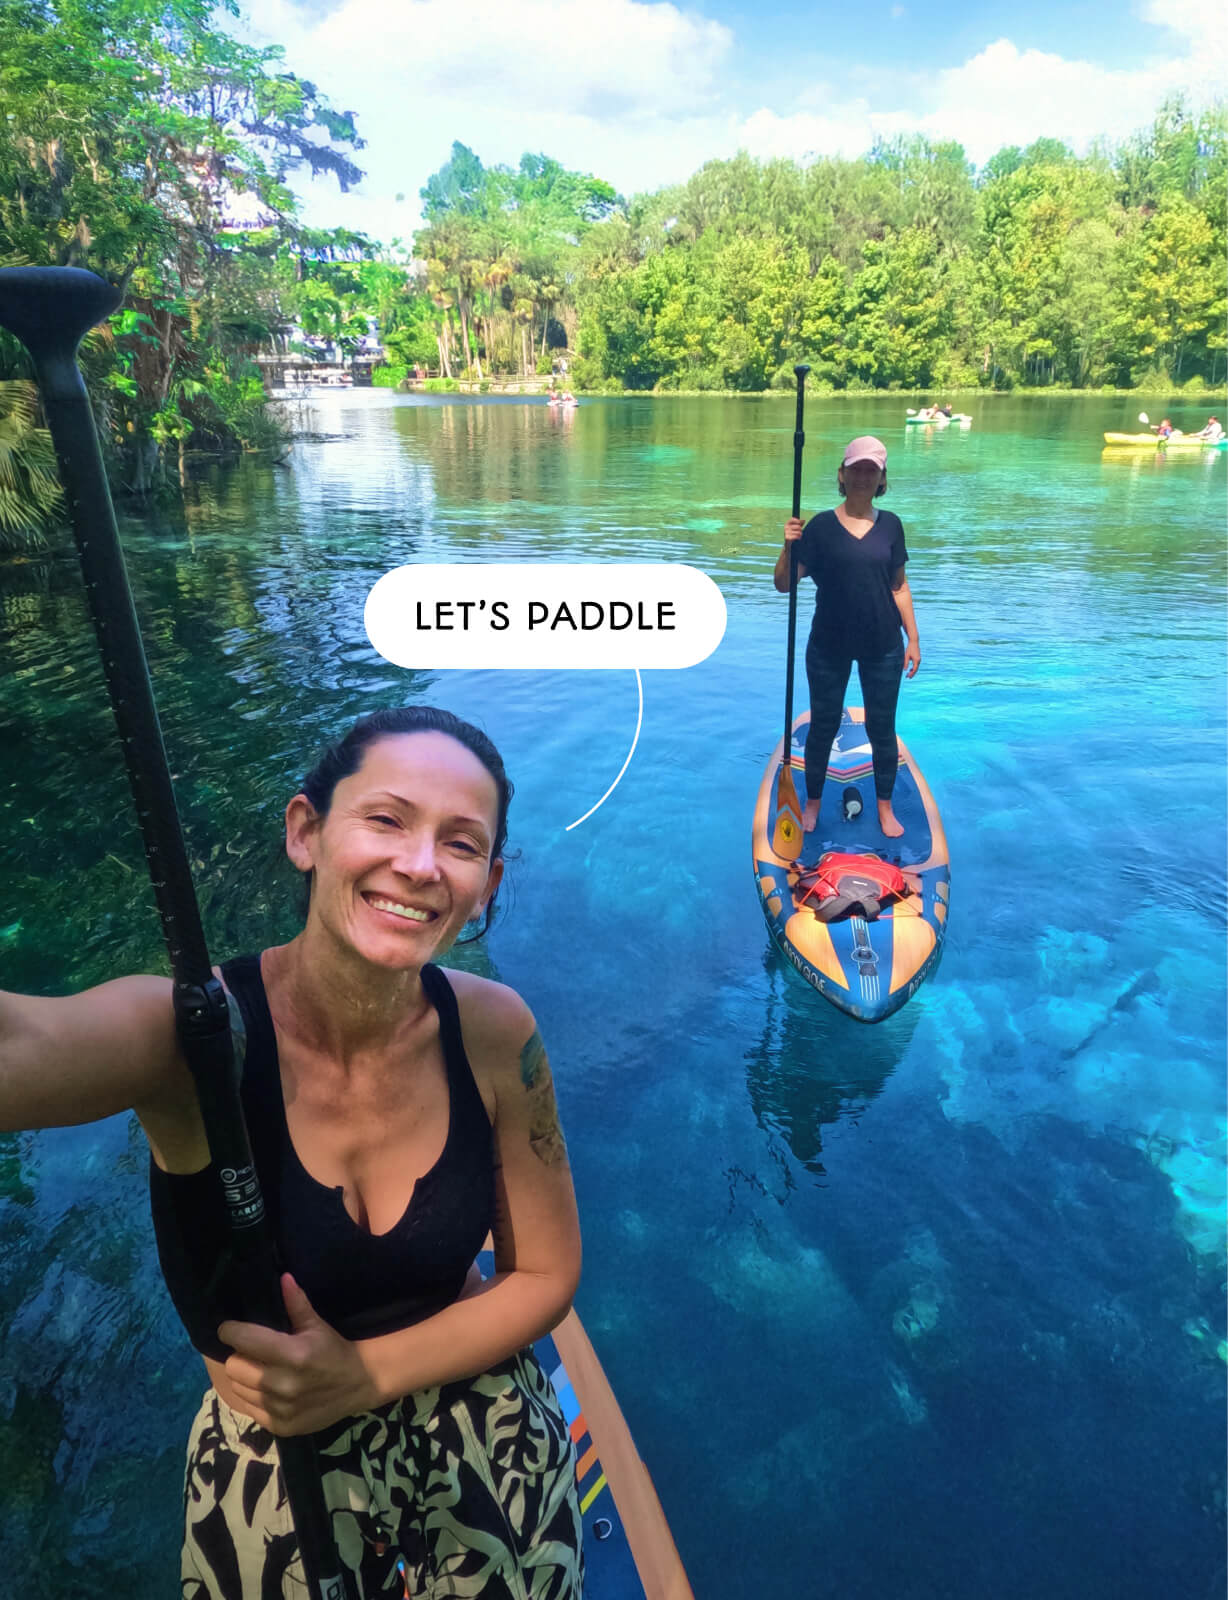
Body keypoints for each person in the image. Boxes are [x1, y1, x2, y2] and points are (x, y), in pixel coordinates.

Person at [0, 705, 583, 1599]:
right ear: (306, 831)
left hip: (475, 1403)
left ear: (487, 883)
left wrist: (361, 1377)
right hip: (281, 1454)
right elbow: (27, 1044)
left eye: (461, 844)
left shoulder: (495, 1032)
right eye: (386, 819)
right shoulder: (196, 1038)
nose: (421, 865)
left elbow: (545, 1273)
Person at [775, 436, 921, 839]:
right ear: (842, 475)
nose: (862, 477)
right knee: (823, 725)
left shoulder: (891, 526)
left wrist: (913, 638)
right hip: (828, 645)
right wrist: (787, 547)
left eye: (870, 470)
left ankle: (885, 807)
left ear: (882, 479)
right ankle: (813, 802)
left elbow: (899, 587)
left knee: (882, 728)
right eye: (855, 469)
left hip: (883, 646)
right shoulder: (821, 527)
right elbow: (784, 584)